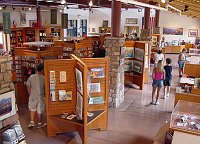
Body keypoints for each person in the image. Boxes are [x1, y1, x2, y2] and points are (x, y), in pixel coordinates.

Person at [27, 63, 46, 128]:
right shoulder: (44, 78)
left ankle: (32, 122)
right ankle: (39, 123)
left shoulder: (31, 77)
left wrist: (30, 94)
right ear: (43, 70)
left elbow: (28, 86)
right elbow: (45, 88)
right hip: (41, 96)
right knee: (39, 110)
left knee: (32, 108)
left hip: (32, 96)